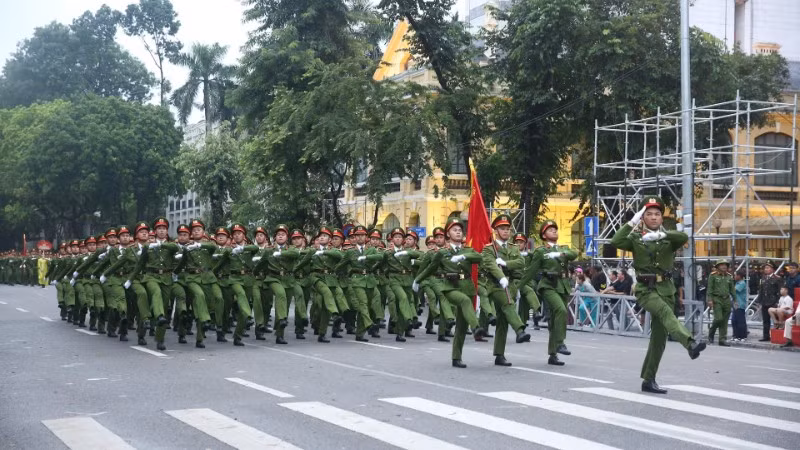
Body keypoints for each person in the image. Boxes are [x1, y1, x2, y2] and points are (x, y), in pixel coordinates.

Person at [610, 196, 706, 394]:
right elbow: (616, 240)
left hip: (667, 289)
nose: (653, 217)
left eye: (657, 214)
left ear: (662, 218)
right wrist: (632, 222)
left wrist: (661, 236)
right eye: (648, 214)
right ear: (643, 217)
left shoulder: (669, 238)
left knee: (659, 339)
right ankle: (690, 343)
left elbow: (683, 238)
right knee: (664, 313)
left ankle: (648, 379)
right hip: (646, 290)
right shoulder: (636, 239)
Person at [413, 217, 487, 368]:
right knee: (465, 301)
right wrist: (418, 280)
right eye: (455, 230)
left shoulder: (468, 250)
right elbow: (431, 268)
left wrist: (464, 256)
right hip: (450, 287)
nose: (458, 232)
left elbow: (480, 257)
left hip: (466, 286)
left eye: (460, 230)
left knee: (461, 326)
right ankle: (476, 328)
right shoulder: (442, 252)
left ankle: (456, 357)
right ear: (448, 233)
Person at [518, 219, 578, 366]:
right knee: (561, 310)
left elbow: (574, 254)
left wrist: (560, 254)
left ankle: (553, 355)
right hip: (548, 286)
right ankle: (560, 343)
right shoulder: (541, 251)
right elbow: (531, 271)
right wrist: (519, 286)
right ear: (544, 235)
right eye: (551, 230)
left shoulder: (563, 248)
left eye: (555, 229)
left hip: (562, 286)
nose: (554, 232)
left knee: (554, 321)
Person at [707, 259, 734, 346]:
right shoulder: (713, 276)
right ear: (717, 266)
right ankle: (711, 333)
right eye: (722, 265)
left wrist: (735, 300)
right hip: (717, 299)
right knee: (718, 318)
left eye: (725, 265)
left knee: (724, 321)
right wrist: (710, 300)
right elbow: (710, 289)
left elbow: (732, 289)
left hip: (726, 299)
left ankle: (722, 339)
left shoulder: (729, 276)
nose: (724, 266)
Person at [757, 261, 784, 342]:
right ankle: (766, 336)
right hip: (764, 302)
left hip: (773, 302)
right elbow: (761, 291)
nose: (766, 269)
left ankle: (776, 336)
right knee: (765, 320)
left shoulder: (777, 278)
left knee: (776, 320)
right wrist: (759, 301)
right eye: (765, 268)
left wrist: (778, 302)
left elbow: (780, 291)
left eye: (768, 268)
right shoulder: (763, 278)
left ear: (772, 269)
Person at [731, 271, 749, 342]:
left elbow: (733, 290)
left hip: (740, 304)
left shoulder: (742, 283)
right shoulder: (737, 283)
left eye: (735, 275)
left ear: (739, 276)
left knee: (740, 321)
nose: (734, 277)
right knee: (734, 321)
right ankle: (736, 335)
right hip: (736, 304)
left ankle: (742, 336)